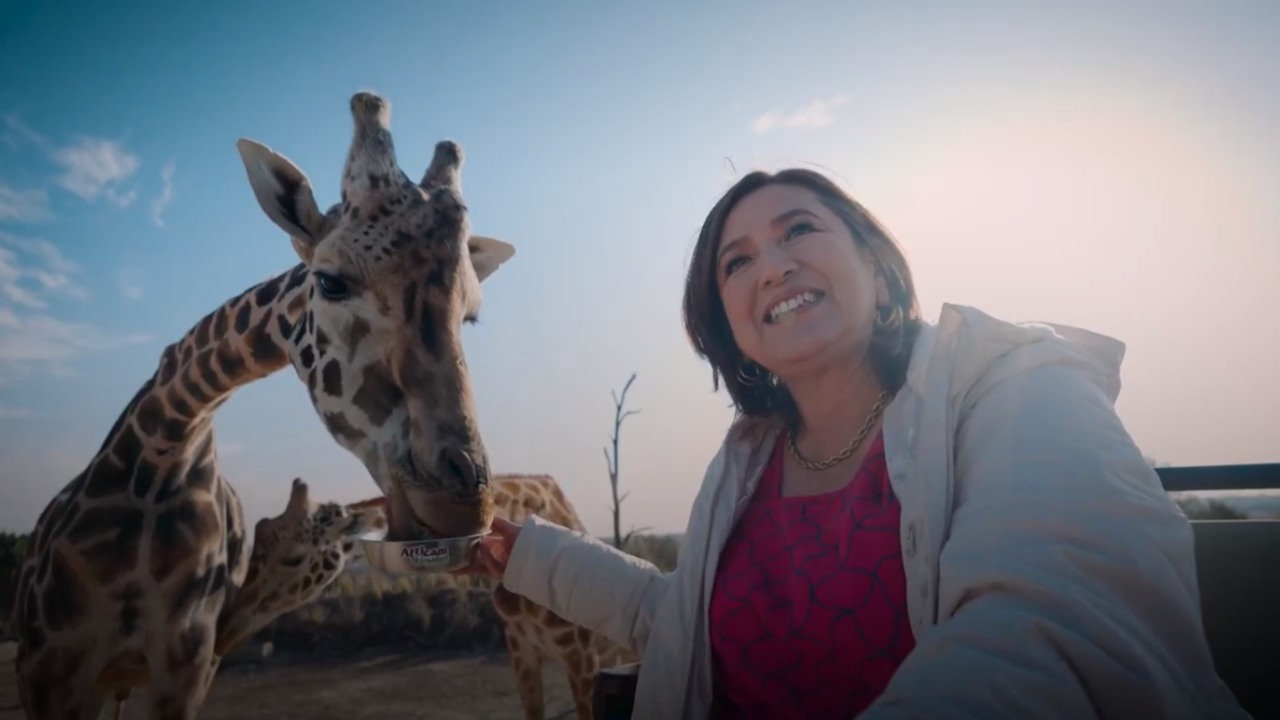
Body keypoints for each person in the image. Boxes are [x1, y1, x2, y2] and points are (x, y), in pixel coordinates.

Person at [461, 168, 1250, 719]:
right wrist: (528, 555)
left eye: (798, 229)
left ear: (874, 262)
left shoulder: (1014, 384)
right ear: (728, 325)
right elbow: (691, 628)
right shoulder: (745, 463)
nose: (772, 266)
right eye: (736, 263)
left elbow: (1050, 630)